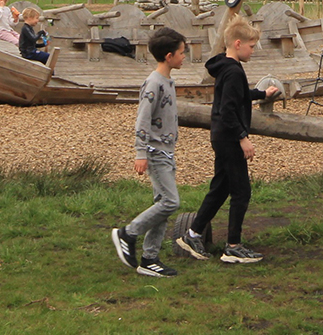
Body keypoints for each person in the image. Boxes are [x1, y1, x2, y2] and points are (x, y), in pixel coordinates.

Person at [177, 17, 280, 264]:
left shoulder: (225, 66)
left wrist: (261, 94)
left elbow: (239, 95)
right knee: (241, 192)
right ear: (237, 43)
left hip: (221, 136)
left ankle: (192, 234)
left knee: (221, 188)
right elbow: (228, 110)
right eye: (252, 46)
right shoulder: (234, 71)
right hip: (230, 138)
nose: (253, 51)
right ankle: (232, 246)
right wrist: (243, 138)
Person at [111, 27, 188, 278]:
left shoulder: (168, 81)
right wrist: (140, 153)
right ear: (169, 56)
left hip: (167, 151)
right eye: (181, 53)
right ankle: (128, 233)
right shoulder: (153, 83)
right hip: (155, 152)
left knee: (162, 205)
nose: (184, 57)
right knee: (170, 202)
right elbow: (142, 121)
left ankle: (149, 259)